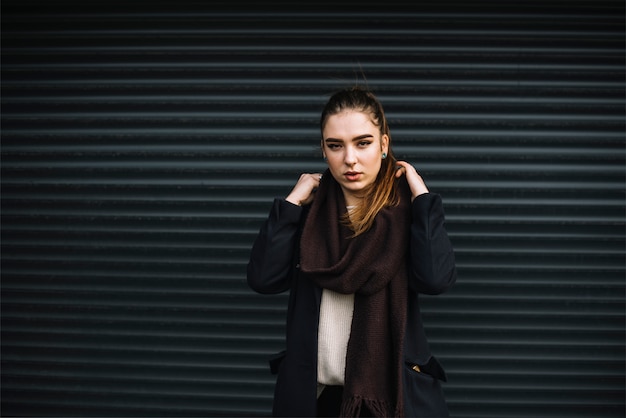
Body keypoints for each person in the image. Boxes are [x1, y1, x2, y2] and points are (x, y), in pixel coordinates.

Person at [247, 86, 457, 417]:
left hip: (387, 396)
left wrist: (422, 199)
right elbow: (263, 278)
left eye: (363, 143)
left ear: (384, 144)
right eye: (335, 146)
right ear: (323, 150)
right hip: (316, 398)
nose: (349, 159)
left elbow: (435, 279)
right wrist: (290, 204)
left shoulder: (406, 216)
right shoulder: (309, 215)